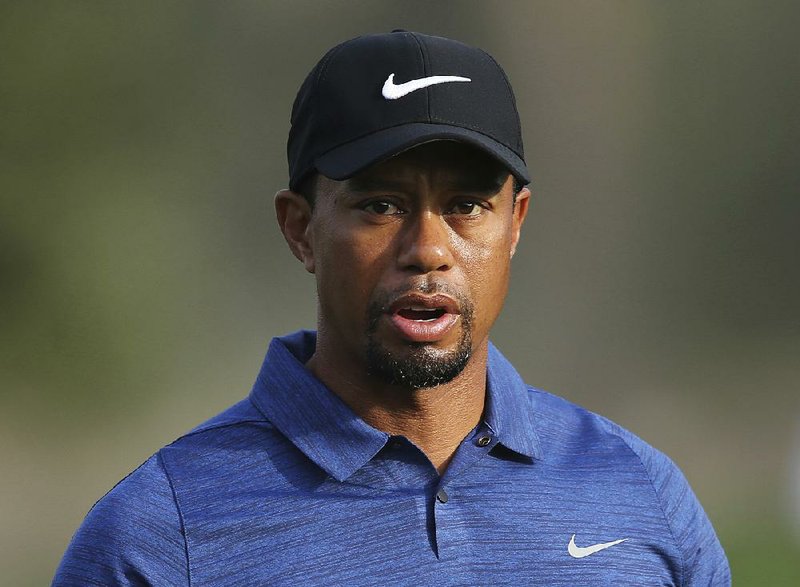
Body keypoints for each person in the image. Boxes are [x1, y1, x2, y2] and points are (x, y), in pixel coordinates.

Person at [53, 30, 730, 586]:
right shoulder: (158, 533)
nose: (429, 249)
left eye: (466, 205)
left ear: (516, 222)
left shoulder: (641, 493)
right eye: (381, 205)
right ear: (300, 229)